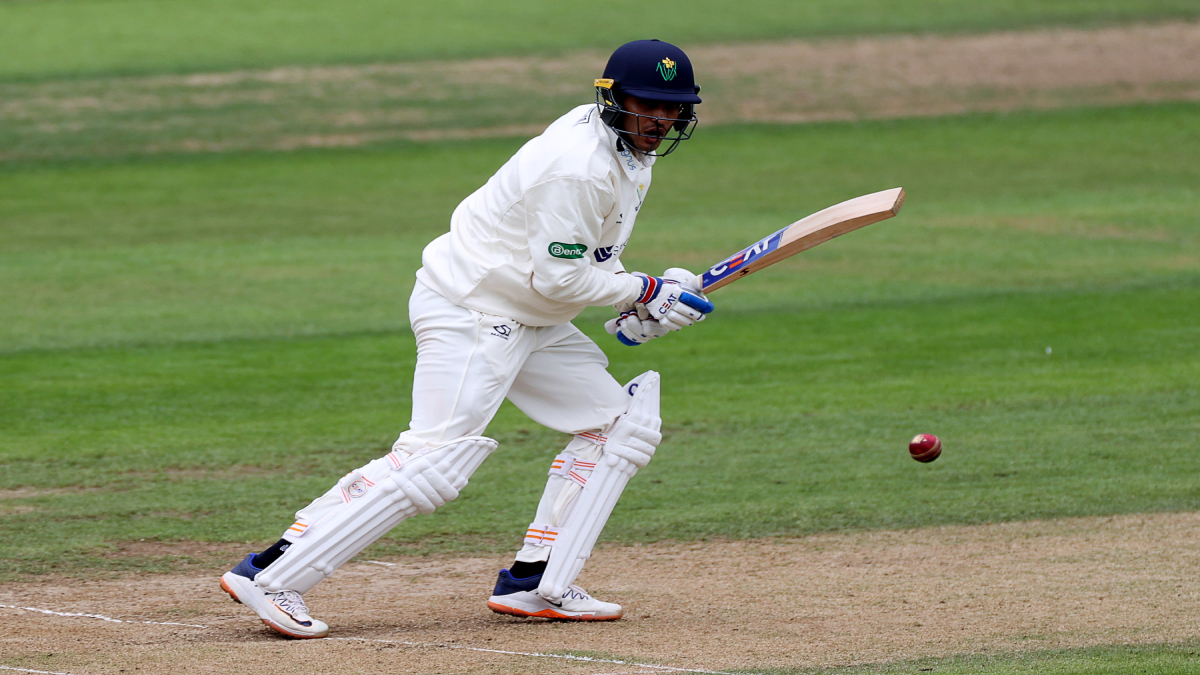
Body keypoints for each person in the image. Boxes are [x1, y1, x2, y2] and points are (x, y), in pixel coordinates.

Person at [219, 39, 713, 638]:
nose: (660, 120)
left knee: (618, 427)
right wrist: (642, 290)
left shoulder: (631, 149)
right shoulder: (578, 165)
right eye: (647, 105)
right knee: (434, 460)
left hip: (529, 311)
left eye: (673, 108)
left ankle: (537, 581)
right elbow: (559, 275)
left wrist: (639, 298)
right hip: (473, 309)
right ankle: (272, 573)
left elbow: (581, 261)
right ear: (612, 99)